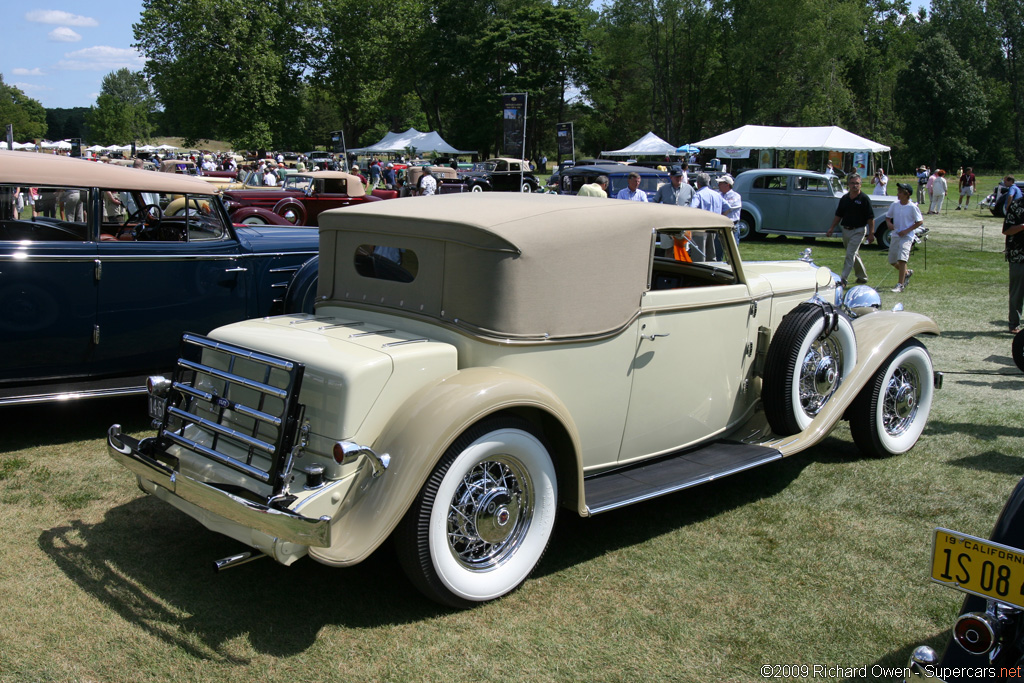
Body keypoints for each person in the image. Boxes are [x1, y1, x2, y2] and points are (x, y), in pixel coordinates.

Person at [825, 173, 875, 287]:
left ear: (861, 185)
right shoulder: (845, 198)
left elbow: (870, 218)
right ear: (848, 184)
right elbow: (838, 215)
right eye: (852, 183)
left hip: (859, 230)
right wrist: (832, 228)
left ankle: (843, 279)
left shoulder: (864, 199)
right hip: (846, 230)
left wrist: (871, 233)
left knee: (849, 254)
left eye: (857, 183)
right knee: (853, 254)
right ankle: (862, 277)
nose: (855, 186)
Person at [885, 183, 924, 293]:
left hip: (907, 237)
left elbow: (920, 221)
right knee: (892, 260)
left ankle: (900, 285)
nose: (898, 194)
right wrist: (889, 224)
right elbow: (888, 217)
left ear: (907, 194)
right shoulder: (895, 205)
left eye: (900, 192)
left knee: (902, 259)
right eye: (898, 191)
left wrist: (907, 230)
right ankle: (906, 273)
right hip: (895, 235)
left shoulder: (912, 207)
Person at [689, 172, 726, 261]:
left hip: (700, 228)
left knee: (699, 255)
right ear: (709, 182)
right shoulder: (717, 195)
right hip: (714, 227)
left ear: (698, 183)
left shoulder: (698, 195)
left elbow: (691, 209)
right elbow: (728, 207)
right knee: (711, 254)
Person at [1002, 190, 1024, 333]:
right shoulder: (1016, 205)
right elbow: (1007, 230)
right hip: (1019, 255)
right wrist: (1023, 226)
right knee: (1017, 292)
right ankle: (1014, 324)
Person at [718, 174, 742, 243]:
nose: (718, 185)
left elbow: (727, 208)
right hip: (720, 226)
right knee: (718, 250)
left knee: (732, 250)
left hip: (732, 226)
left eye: (720, 183)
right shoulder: (718, 195)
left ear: (727, 185)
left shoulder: (736, 196)